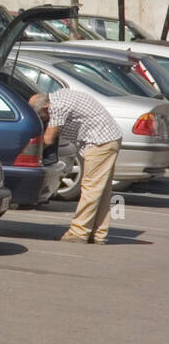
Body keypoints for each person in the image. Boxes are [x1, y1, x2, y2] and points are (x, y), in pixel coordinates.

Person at [28, 90, 122, 244]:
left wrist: (29, 150)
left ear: (45, 107)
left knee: (90, 188)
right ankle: (98, 233)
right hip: (108, 138)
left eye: (40, 116)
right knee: (101, 190)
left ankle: (79, 232)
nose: (42, 119)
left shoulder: (56, 106)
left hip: (100, 142)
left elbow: (49, 139)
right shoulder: (58, 97)